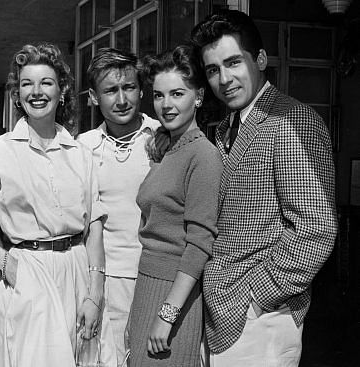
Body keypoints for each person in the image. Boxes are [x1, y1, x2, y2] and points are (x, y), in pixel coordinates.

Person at [190, 10, 338, 366]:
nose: (224, 79)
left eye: (233, 62)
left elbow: (317, 229)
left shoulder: (292, 120)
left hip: (263, 318)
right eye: (213, 69)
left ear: (259, 59)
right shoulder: (227, 125)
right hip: (224, 315)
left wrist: (255, 296)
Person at [0, 43, 106, 367]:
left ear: (62, 90)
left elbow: (94, 227)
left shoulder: (80, 153)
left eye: (46, 83)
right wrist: (4, 261)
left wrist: (95, 291)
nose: (37, 92)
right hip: (29, 272)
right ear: (17, 94)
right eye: (27, 84)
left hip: (77, 271)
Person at [128, 45, 223, 367]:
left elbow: (199, 244)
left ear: (198, 97)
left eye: (177, 94)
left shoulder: (203, 156)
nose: (166, 105)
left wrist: (167, 315)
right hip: (147, 284)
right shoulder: (169, 148)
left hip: (173, 294)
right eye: (158, 95)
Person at [78, 47, 161, 366]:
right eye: (111, 90)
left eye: (129, 87)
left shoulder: (162, 138)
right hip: (101, 281)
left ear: (141, 88)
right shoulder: (82, 147)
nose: (122, 99)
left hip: (152, 276)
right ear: (94, 96)